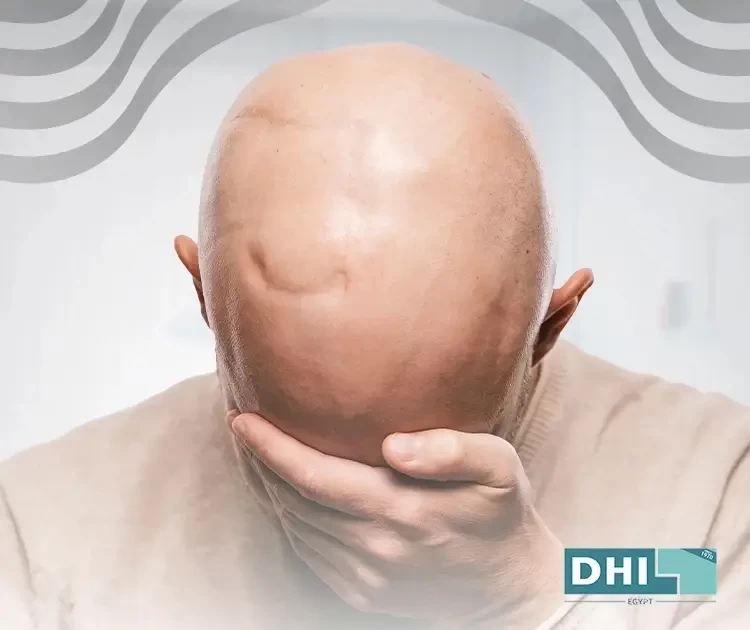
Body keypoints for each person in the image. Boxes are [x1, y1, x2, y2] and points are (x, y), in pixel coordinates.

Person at [1, 42, 748, 630]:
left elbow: (684, 572)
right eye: (301, 460)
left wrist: (538, 590)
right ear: (204, 297)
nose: (376, 517)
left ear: (547, 328)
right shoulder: (40, 530)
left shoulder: (716, 490)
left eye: (415, 465)